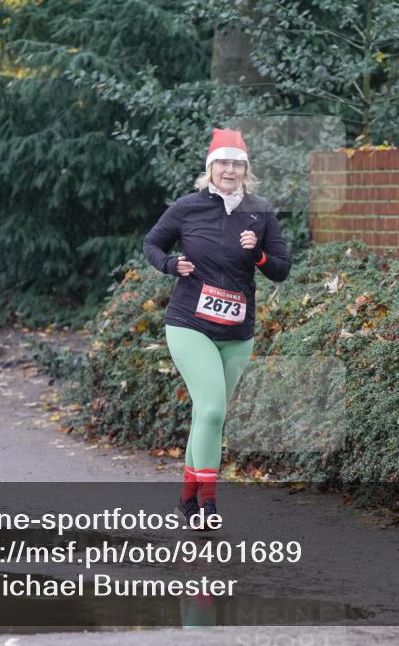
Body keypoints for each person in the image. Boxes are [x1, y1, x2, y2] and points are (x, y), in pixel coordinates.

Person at [143, 128, 292, 529]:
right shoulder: (187, 207)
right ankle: (207, 502)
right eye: (223, 162)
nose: (229, 169)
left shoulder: (260, 211)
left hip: (237, 331)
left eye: (237, 163)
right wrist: (171, 265)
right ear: (210, 168)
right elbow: (151, 244)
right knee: (210, 409)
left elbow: (281, 268)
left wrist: (257, 253)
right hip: (189, 322)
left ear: (246, 169)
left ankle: (187, 498)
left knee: (210, 417)